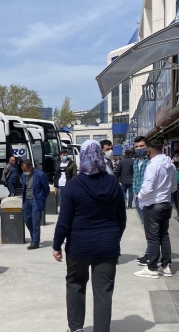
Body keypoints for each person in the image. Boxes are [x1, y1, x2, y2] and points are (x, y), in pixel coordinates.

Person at [53, 140, 126, 332]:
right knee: (104, 292)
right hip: (108, 246)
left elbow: (64, 221)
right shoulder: (114, 184)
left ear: (82, 156)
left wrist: (56, 245)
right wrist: (114, 238)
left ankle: (76, 328)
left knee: (75, 284)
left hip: (79, 246)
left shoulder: (73, 185)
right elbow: (121, 218)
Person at [134, 139, 177, 279]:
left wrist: (140, 197)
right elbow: (174, 187)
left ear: (149, 151)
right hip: (166, 204)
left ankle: (152, 268)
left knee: (152, 238)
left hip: (152, 205)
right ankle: (166, 266)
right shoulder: (170, 165)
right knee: (164, 236)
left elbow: (147, 188)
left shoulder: (152, 166)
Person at [21, 159, 49, 250]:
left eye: (26, 170)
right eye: (23, 170)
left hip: (36, 200)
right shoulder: (23, 175)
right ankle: (34, 238)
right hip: (26, 200)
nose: (24, 172)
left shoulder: (40, 175)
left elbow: (46, 189)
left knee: (35, 221)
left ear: (30, 167)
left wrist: (42, 198)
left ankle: (35, 242)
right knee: (27, 219)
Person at [132, 136, 151, 266]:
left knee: (150, 227)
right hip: (138, 199)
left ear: (147, 147)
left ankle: (150, 253)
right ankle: (150, 251)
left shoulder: (150, 162)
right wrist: (134, 193)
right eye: (137, 147)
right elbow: (135, 179)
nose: (139, 149)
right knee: (146, 227)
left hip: (148, 199)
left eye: (142, 146)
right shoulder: (136, 162)